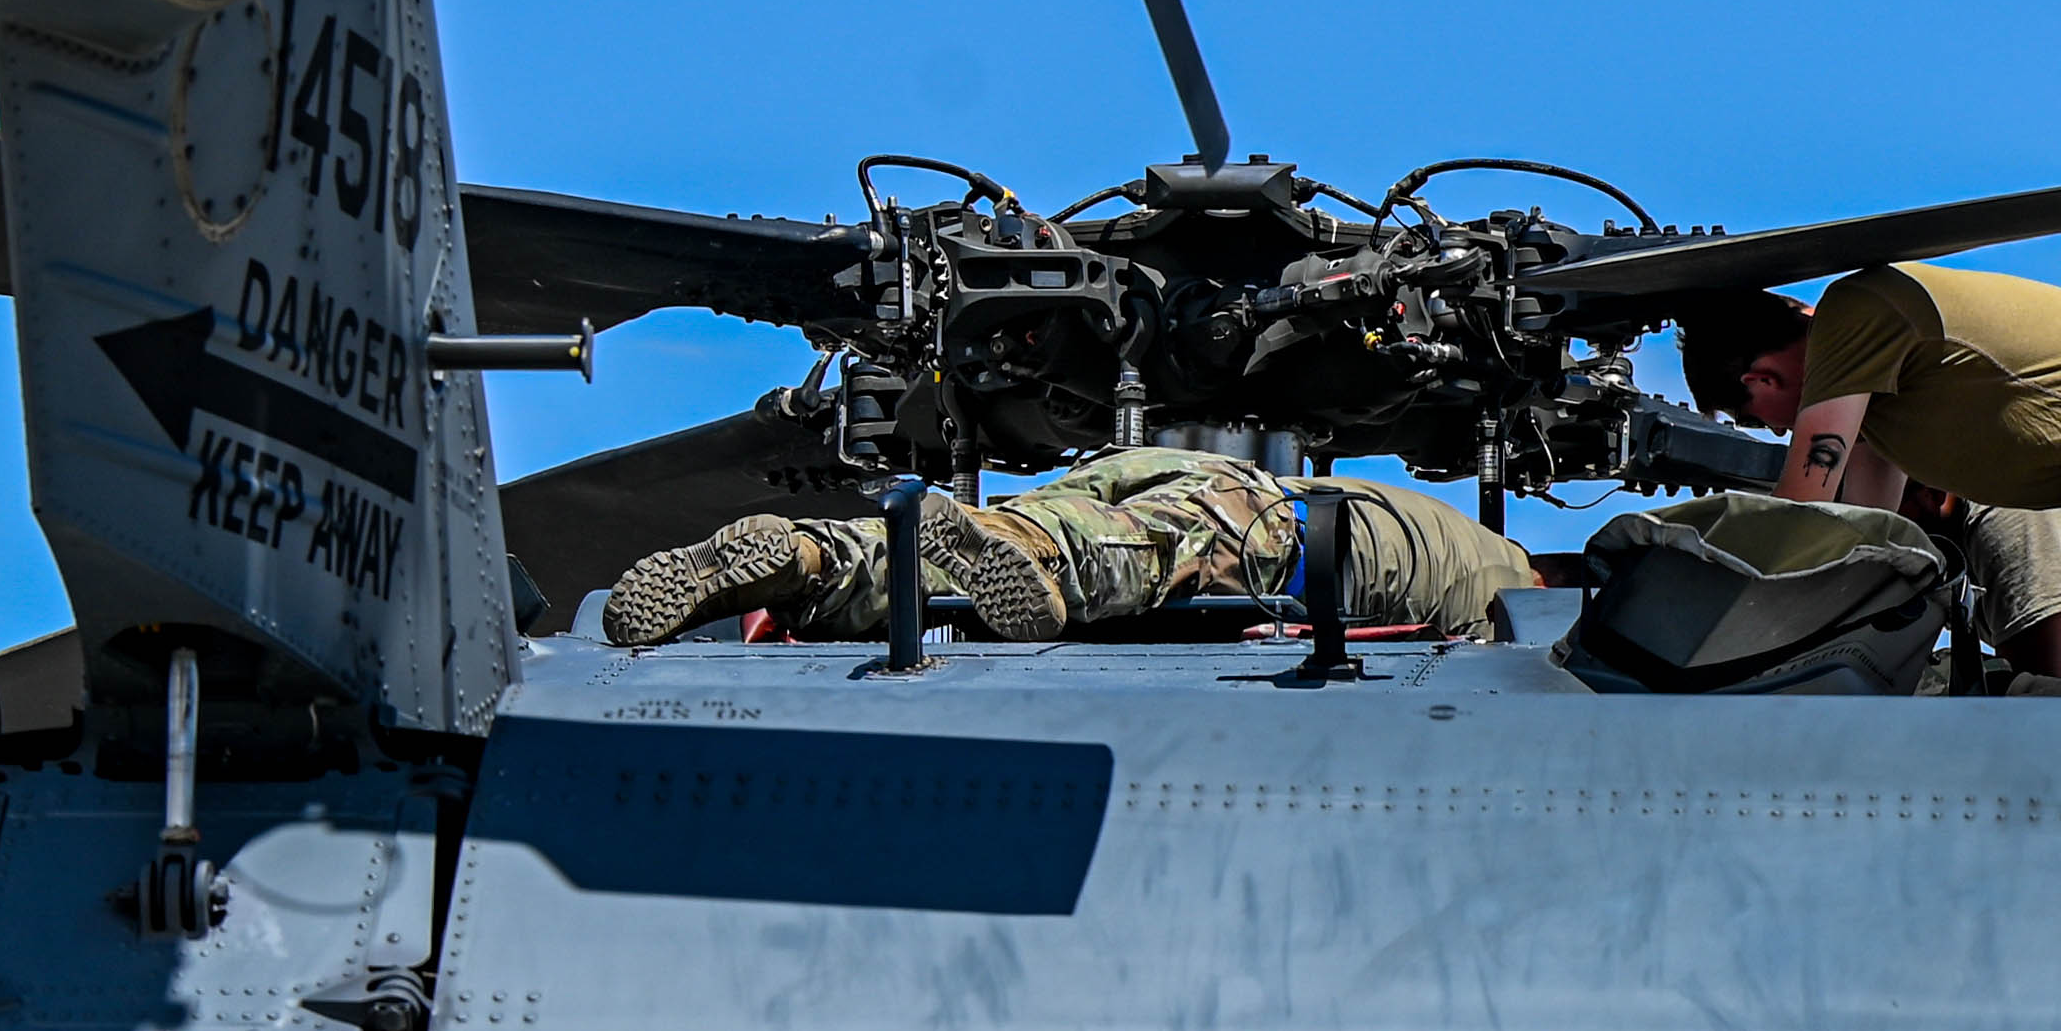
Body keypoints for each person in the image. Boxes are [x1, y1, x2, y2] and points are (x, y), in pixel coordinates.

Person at [1674, 265, 2061, 697]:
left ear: (1762, 382)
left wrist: (1732, 627)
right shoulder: (1879, 399)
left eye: (1755, 422)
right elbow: (1865, 539)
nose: (1778, 432)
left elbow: (1804, 502)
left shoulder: (1851, 312)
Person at [599, 447, 1532, 647]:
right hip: (1291, 525)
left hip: (1141, 465)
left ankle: (811, 560)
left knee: (1012, 532)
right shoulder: (1511, 590)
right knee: (1157, 551)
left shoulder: (1463, 546)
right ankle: (1042, 567)